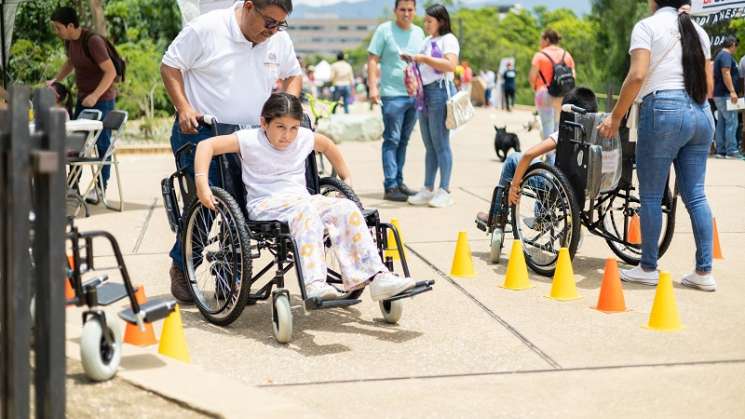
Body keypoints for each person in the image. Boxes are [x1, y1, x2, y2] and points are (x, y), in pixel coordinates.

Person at [194, 93, 418, 301]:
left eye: (293, 128)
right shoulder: (249, 139)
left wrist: (346, 178)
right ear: (264, 123)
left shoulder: (303, 137)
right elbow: (206, 146)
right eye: (280, 127)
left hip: (302, 200)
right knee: (306, 211)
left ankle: (377, 277)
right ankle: (315, 284)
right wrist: (202, 184)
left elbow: (328, 146)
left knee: (347, 207)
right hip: (265, 203)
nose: (287, 135)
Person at [160, 0, 302, 302]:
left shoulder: (278, 39)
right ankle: (183, 266)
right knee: (209, 201)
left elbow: (293, 74)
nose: (273, 29)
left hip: (252, 135)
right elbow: (170, 66)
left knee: (243, 205)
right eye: (269, 22)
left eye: (280, 23)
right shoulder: (207, 29)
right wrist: (183, 107)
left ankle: (230, 276)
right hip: (202, 130)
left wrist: (286, 111)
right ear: (249, 6)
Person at [597, 0, 716, 292]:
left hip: (664, 111)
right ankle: (704, 271)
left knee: (650, 194)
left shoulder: (647, 26)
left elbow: (637, 75)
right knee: (696, 195)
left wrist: (615, 116)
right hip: (701, 114)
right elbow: (710, 87)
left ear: (654, 1)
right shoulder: (699, 31)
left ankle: (648, 267)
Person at [476, 87, 598, 223]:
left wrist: (514, 186)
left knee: (513, 159)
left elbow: (528, 155)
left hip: (559, 188)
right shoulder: (599, 134)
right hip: (587, 188)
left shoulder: (567, 133)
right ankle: (543, 215)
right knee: (548, 168)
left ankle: (497, 215)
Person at [49, 6, 118, 201]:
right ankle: (73, 186)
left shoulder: (93, 41)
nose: (56, 32)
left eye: (58, 28)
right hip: (83, 98)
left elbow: (110, 72)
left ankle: (101, 188)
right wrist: (55, 80)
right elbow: (70, 63)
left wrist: (96, 95)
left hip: (102, 100)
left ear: (71, 26)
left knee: (102, 144)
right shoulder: (70, 42)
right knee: (75, 143)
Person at [367, 0, 425, 202]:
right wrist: (373, 86)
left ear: (415, 11)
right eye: (402, 9)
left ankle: (399, 182)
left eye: (410, 10)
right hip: (392, 94)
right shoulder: (384, 30)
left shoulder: (419, 32)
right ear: (395, 11)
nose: (406, 13)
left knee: (404, 140)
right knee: (392, 139)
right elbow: (373, 59)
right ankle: (390, 185)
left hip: (414, 95)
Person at [404, 4, 459, 208]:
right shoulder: (428, 40)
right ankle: (428, 188)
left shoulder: (448, 40)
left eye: (429, 21)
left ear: (441, 22)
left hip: (439, 92)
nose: (425, 24)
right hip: (424, 93)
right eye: (425, 20)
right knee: (429, 144)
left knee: (441, 143)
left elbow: (450, 65)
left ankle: (444, 189)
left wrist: (423, 58)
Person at [529, 29, 575, 140]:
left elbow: (532, 77)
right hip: (563, 95)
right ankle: (556, 155)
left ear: (547, 39)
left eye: (541, 39)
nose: (540, 42)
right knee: (558, 127)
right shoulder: (566, 55)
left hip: (544, 93)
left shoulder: (540, 55)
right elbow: (573, 76)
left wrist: (535, 89)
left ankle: (550, 157)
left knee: (547, 127)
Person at [713, 36, 743, 159]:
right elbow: (726, 72)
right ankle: (731, 151)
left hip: (719, 94)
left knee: (722, 123)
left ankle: (721, 150)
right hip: (726, 94)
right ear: (732, 44)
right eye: (736, 46)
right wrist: (732, 91)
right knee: (732, 121)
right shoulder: (726, 56)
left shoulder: (720, 55)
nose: (736, 49)